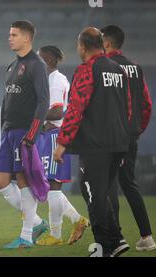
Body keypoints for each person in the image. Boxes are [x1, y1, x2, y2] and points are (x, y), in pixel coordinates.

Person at [54, 27, 132, 257]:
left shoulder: (87, 69)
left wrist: (62, 142)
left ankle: (104, 247)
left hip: (95, 144)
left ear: (83, 46)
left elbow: (76, 108)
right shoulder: (118, 70)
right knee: (103, 192)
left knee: (92, 194)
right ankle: (115, 239)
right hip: (118, 142)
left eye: (78, 45)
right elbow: (126, 107)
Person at [0, 20, 50, 249]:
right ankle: (39, 223)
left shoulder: (37, 65)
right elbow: (6, 102)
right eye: (9, 34)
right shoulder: (12, 66)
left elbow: (43, 102)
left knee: (24, 181)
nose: (9, 38)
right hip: (8, 131)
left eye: (14, 34)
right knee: (0, 181)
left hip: (25, 132)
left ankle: (26, 235)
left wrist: (32, 134)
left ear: (27, 38)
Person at [101, 24, 156, 252]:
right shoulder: (135, 67)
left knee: (108, 185)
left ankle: (117, 238)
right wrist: (137, 130)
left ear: (106, 43)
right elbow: (147, 103)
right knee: (129, 184)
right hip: (130, 137)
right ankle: (147, 237)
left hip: (113, 137)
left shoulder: (107, 67)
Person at [36, 45, 89, 246]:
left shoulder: (56, 81)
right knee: (50, 187)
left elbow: (58, 113)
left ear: (49, 61)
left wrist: (34, 114)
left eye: (40, 60)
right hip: (48, 135)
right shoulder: (51, 79)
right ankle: (69, 226)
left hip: (53, 136)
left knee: (53, 187)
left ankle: (62, 231)